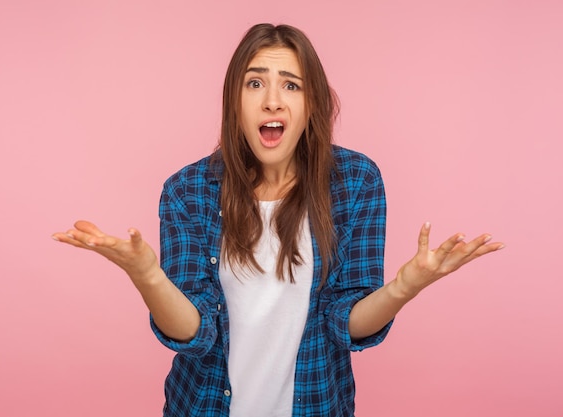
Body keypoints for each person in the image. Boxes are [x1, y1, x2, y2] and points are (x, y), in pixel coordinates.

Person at [52, 23, 503, 417]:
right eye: (254, 84)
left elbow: (343, 323)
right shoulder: (186, 191)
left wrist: (406, 287)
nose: (272, 101)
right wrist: (146, 274)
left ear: (312, 103)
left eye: (291, 85)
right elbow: (194, 331)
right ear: (234, 101)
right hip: (203, 405)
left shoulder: (355, 181)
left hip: (319, 404)